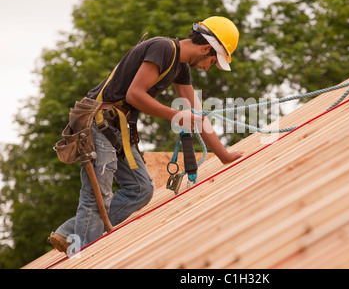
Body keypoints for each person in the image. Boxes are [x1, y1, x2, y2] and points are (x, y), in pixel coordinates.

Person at [48, 16, 244, 253]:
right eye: (212, 61)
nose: (207, 67)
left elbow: (197, 115)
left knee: (141, 189)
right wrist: (177, 116)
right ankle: (84, 255)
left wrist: (224, 156)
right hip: (100, 122)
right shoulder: (163, 48)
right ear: (205, 48)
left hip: (118, 129)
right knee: (96, 196)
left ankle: (70, 232)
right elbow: (134, 95)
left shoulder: (179, 68)